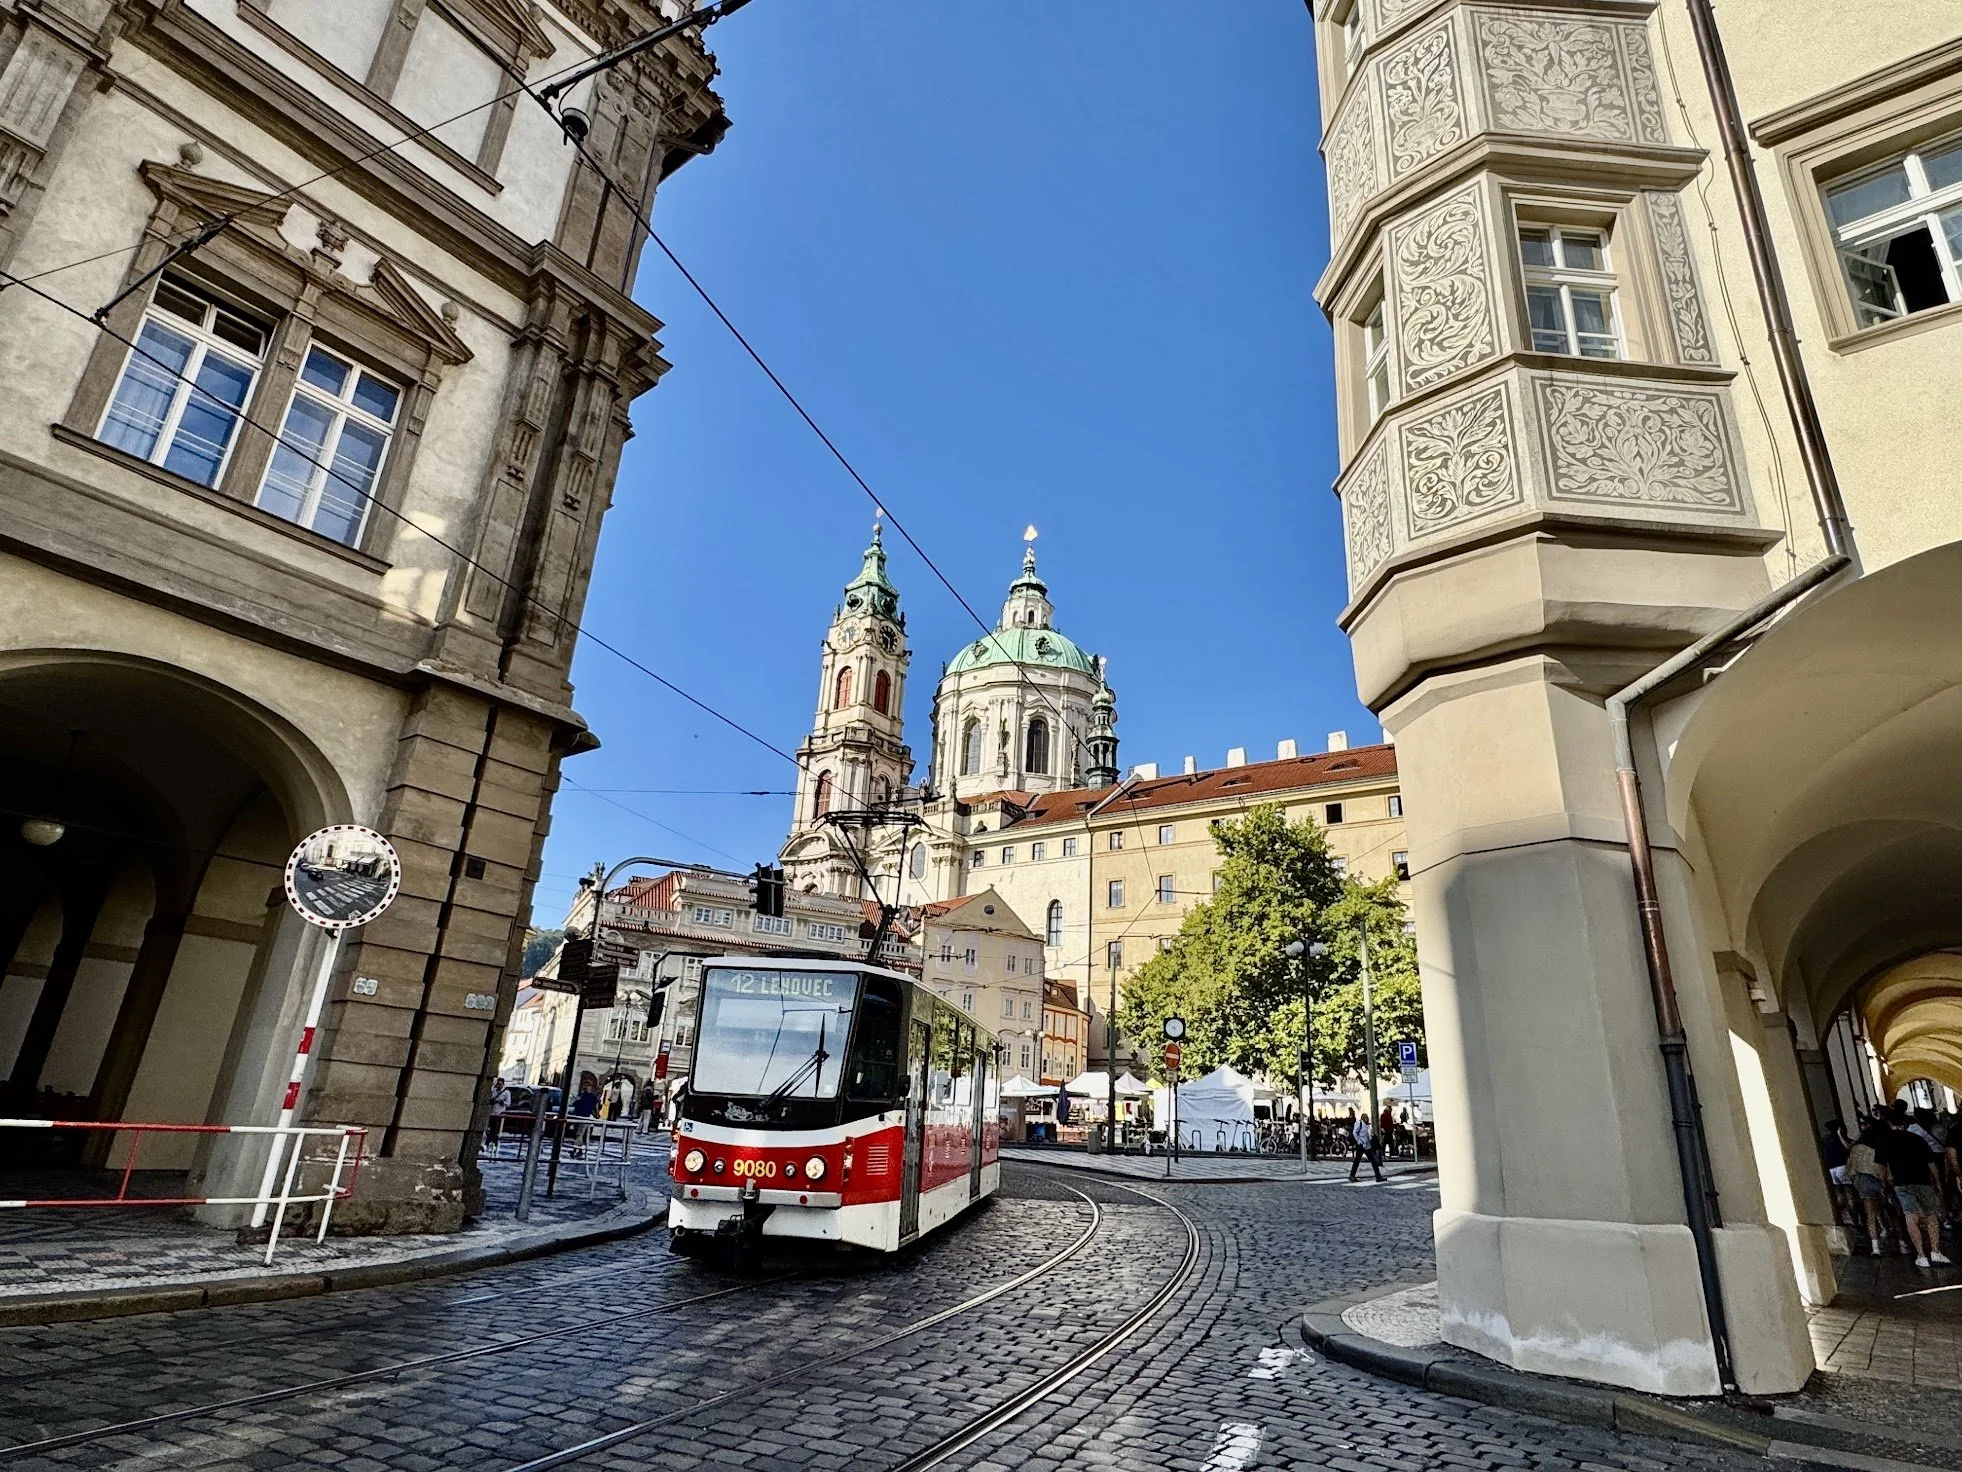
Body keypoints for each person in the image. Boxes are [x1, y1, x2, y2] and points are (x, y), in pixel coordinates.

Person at [1878, 1110, 1951, 1268]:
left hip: (1901, 1184)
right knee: (1931, 1216)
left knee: (1911, 1217)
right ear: (1904, 1123)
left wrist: (1884, 1184)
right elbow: (1931, 1163)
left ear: (1889, 1123)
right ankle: (1936, 1251)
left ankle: (1921, 1255)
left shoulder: (1885, 1142)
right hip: (1923, 1181)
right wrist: (1938, 1183)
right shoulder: (1917, 1139)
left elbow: (1882, 1167)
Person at [1847, 1119, 1892, 1256]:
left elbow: (1850, 1169)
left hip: (1864, 1183)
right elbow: (1885, 1166)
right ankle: (1900, 1240)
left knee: (1870, 1215)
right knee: (1891, 1210)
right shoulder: (1881, 1146)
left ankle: (1875, 1247)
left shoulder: (1856, 1149)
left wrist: (1856, 1183)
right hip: (1881, 1181)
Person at [1349, 1107, 1383, 1183]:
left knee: (1373, 1160)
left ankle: (1378, 1176)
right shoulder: (1359, 1123)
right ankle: (1352, 1175)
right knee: (1357, 1160)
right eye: (1365, 1118)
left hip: (1367, 1145)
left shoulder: (1367, 1126)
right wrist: (1359, 1141)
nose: (1366, 1119)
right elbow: (1355, 1133)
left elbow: (1368, 1135)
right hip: (1361, 1145)